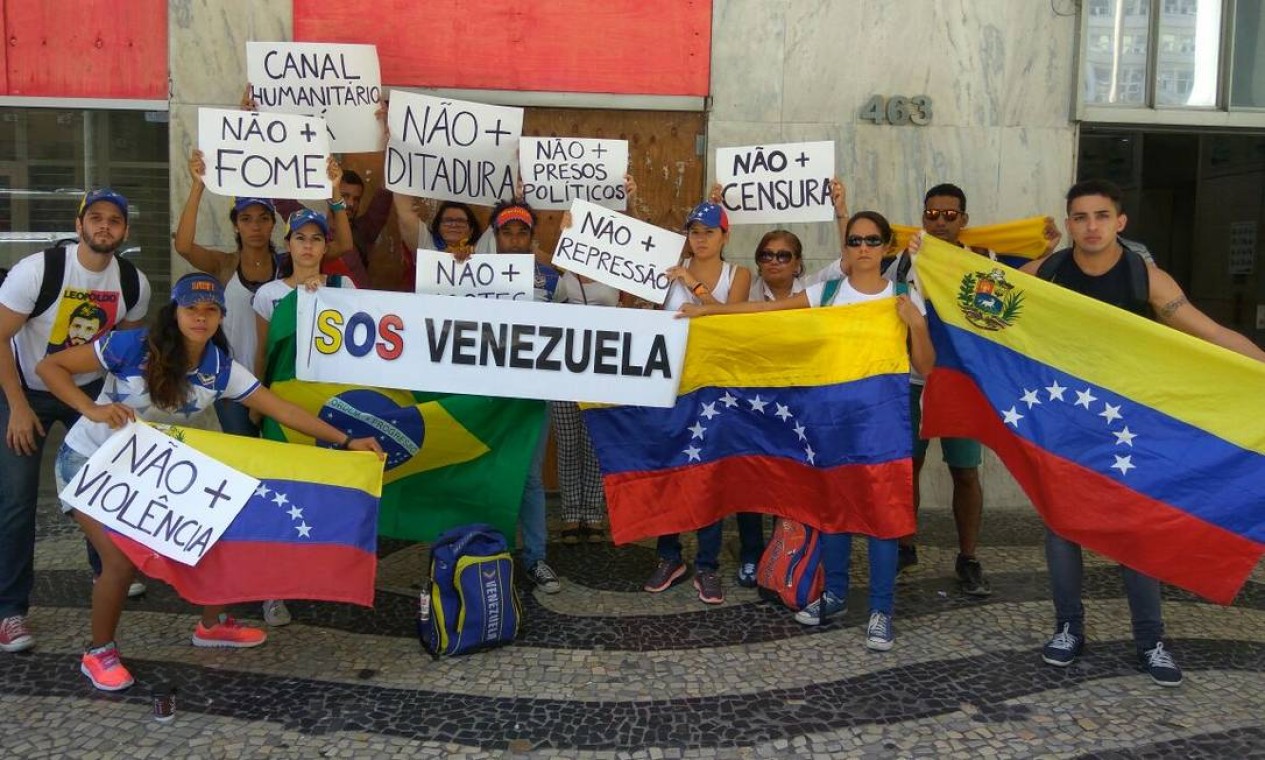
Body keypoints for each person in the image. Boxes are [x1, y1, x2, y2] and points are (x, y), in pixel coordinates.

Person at [36, 272, 383, 691]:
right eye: (191, 309)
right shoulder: (132, 346)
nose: (200, 317)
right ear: (175, 311)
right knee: (120, 560)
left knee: (215, 525)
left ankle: (212, 624)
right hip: (90, 462)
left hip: (152, 468)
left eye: (211, 310)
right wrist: (90, 410)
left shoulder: (219, 367)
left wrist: (346, 441)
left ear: (220, 316)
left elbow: (279, 408)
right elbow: (50, 366)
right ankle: (98, 651)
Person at [1019, 179, 1265, 687]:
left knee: (1136, 529)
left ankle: (1150, 639)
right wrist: (926, 257)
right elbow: (981, 301)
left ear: (1120, 222)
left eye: (1101, 216)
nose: (1091, 227)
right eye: (1081, 217)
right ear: (1067, 223)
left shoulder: (1145, 277)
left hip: (1129, 426)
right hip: (1066, 421)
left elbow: (1211, 333)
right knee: (1062, 526)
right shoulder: (1048, 272)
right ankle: (1068, 628)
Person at [680, 211, 932, 649]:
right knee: (831, 511)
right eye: (854, 241)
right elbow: (765, 311)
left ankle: (880, 610)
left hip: (881, 425)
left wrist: (917, 323)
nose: (863, 249)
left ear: (887, 247)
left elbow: (927, 368)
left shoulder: (902, 295)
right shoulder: (828, 292)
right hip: (829, 422)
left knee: (883, 519)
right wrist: (706, 314)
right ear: (846, 248)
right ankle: (833, 595)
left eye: (873, 242)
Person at [0, 189, 153, 653]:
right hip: (25, 388)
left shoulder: (132, 282)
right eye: (97, 218)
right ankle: (10, 611)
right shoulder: (38, 271)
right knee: (17, 500)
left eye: (115, 220)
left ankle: (106, 569)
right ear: (80, 223)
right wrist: (19, 407)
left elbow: (124, 356)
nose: (105, 226)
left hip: (89, 389)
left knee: (105, 487)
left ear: (125, 230)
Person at [176, 149, 353, 438]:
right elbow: (183, 246)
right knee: (245, 455)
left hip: (278, 380)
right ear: (235, 224)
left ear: (273, 223)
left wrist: (335, 193)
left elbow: (344, 245)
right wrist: (198, 185)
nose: (255, 226)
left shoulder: (289, 261)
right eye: (246, 219)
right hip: (232, 379)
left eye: (262, 218)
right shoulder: (224, 264)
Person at [643, 200, 753, 605]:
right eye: (694, 231)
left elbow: (732, 318)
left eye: (709, 231)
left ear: (725, 235)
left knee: (709, 473)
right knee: (669, 468)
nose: (701, 238)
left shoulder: (738, 273)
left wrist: (695, 285)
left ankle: (707, 564)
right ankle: (669, 555)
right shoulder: (667, 275)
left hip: (714, 390)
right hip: (670, 387)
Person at [891, 184, 997, 596]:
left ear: (964, 220)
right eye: (932, 214)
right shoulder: (905, 259)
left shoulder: (984, 261)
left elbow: (1007, 307)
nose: (939, 222)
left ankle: (968, 556)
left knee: (965, 472)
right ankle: (905, 545)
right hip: (911, 380)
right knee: (907, 467)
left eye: (949, 215)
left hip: (961, 384)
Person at [485, 200, 561, 592]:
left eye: (522, 233)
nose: (514, 240)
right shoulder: (468, 272)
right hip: (483, 394)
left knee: (530, 477)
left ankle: (535, 558)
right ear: (495, 236)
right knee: (485, 472)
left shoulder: (550, 278)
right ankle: (486, 554)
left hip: (533, 393)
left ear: (532, 237)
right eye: (506, 232)